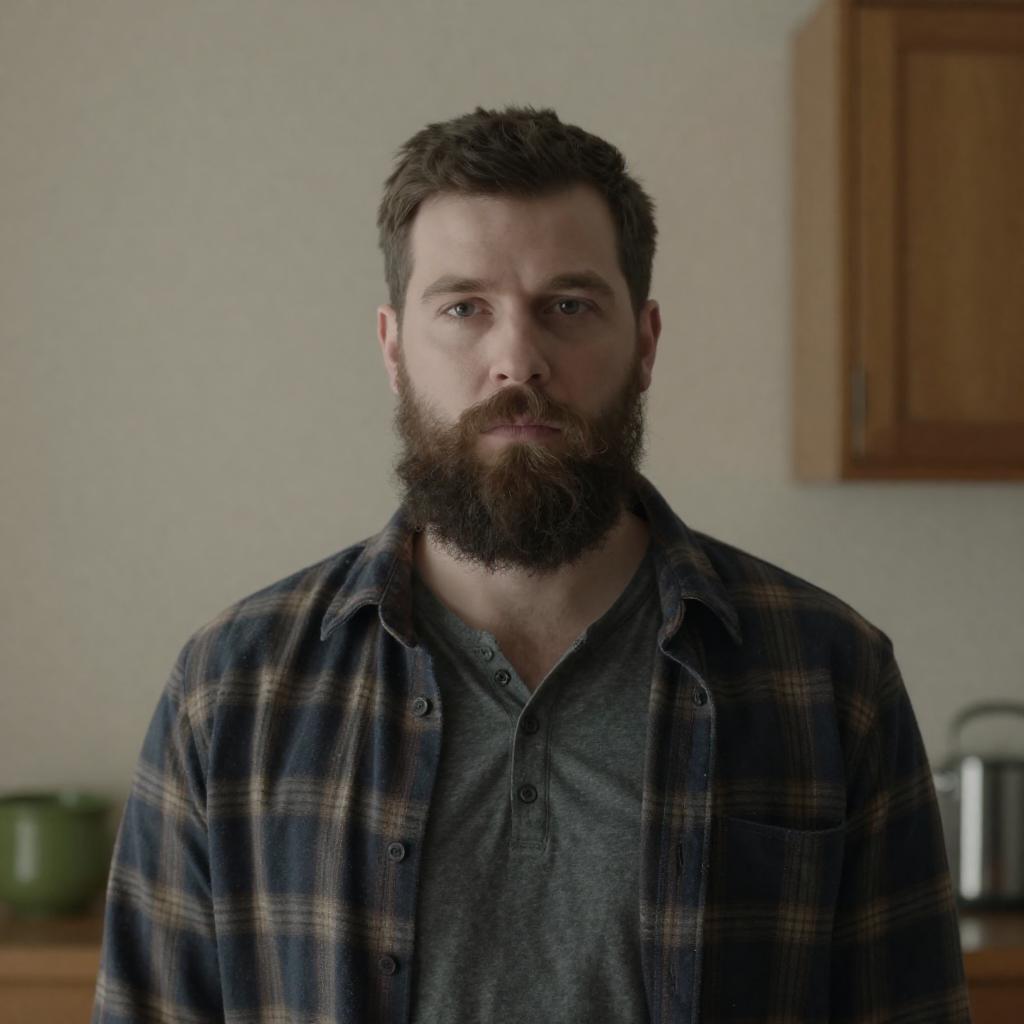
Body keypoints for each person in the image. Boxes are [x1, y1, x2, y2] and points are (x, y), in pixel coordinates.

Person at [93, 106, 971, 1023]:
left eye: (569, 306)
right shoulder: (232, 690)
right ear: (393, 348)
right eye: (464, 308)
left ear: (646, 343)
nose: (518, 360)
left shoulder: (829, 676)